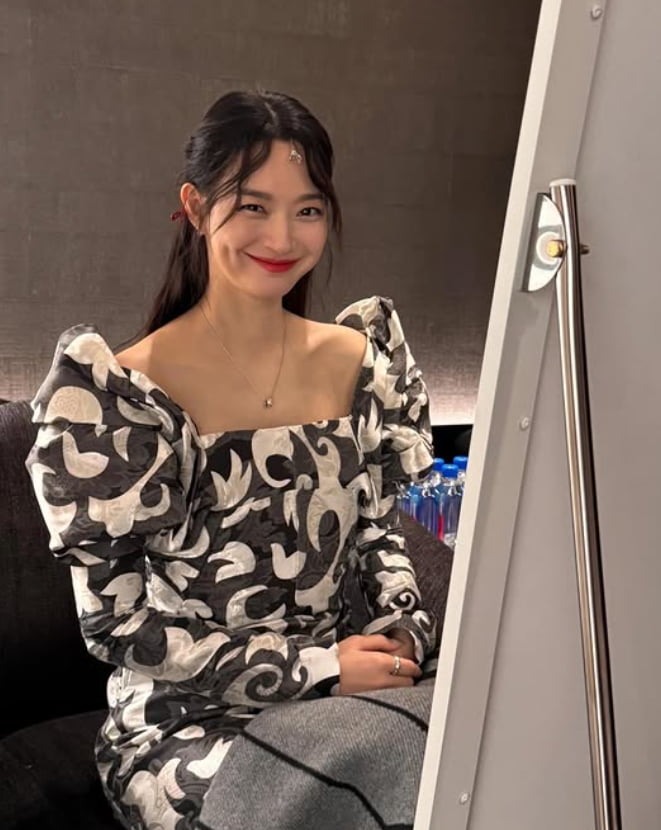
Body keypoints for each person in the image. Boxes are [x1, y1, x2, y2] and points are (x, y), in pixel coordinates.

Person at [25, 90, 438, 830]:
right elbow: (118, 627)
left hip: (350, 695)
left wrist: (402, 632)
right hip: (189, 724)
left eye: (307, 209)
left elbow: (378, 531)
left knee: (481, 757)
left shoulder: (361, 361)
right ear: (194, 205)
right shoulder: (125, 397)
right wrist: (316, 671)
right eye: (253, 206)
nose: (282, 235)